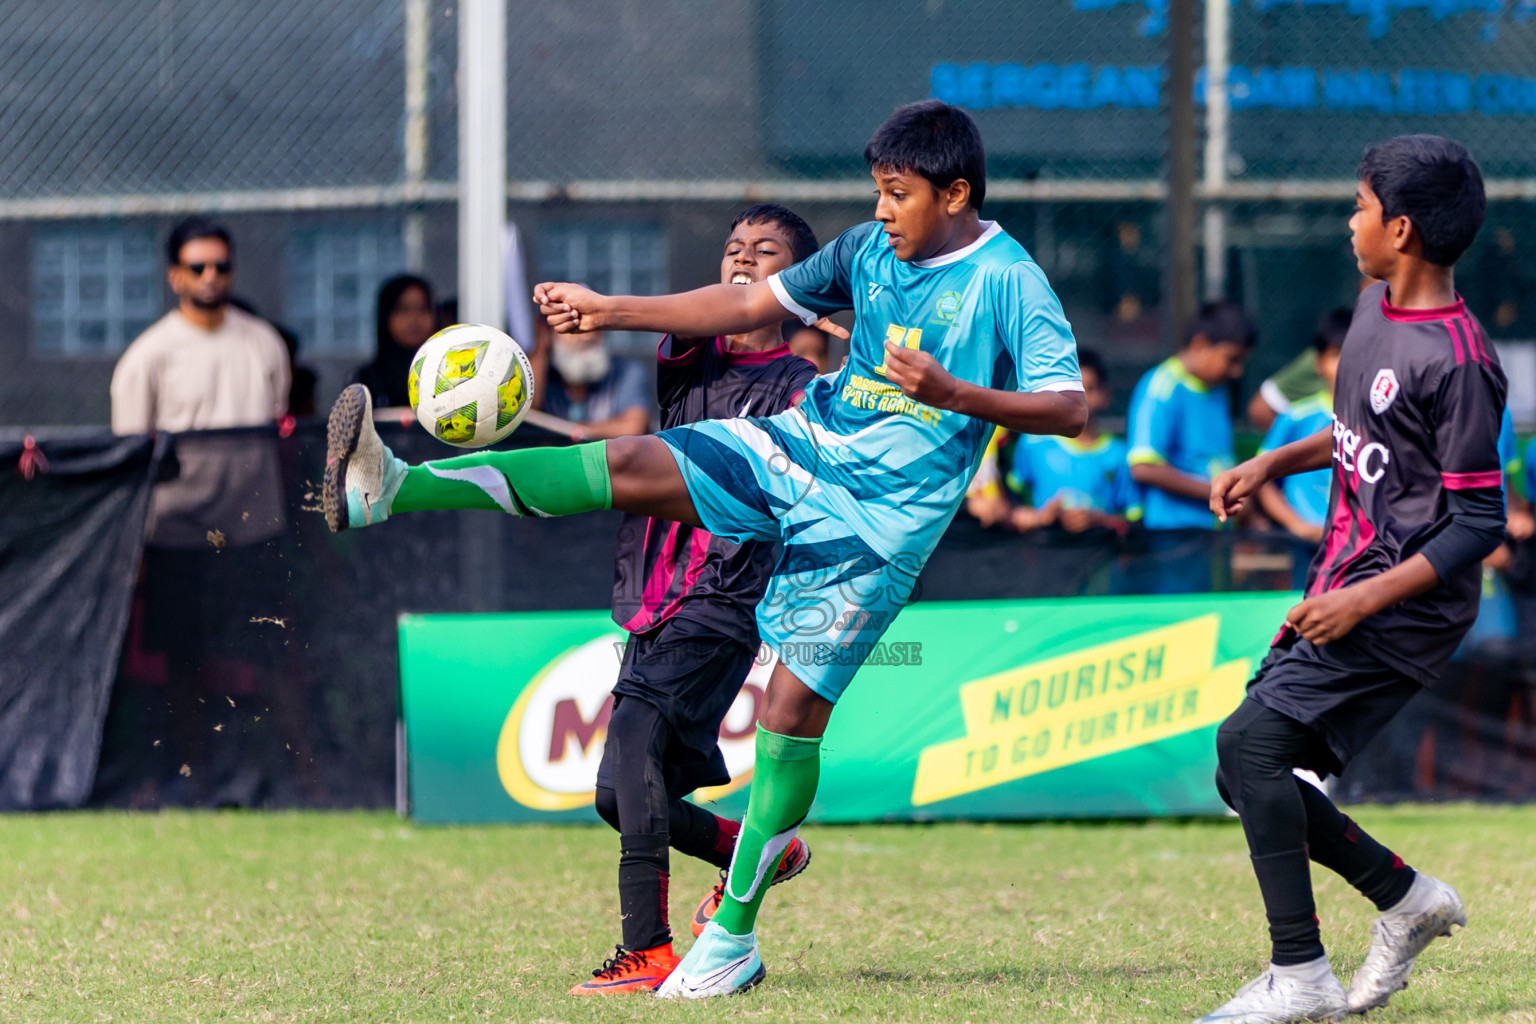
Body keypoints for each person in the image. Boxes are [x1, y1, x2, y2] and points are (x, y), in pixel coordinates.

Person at [321, 100, 1085, 998]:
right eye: (876, 192)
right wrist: (609, 309)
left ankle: (733, 935)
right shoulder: (868, 249)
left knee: (789, 718)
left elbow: (1068, 409)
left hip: (880, 528)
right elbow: (749, 303)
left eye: (898, 195)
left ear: (955, 193)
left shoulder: (1011, 280)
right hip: (805, 447)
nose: (881, 212)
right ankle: (397, 488)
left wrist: (958, 393)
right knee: (636, 459)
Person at [1201, 135, 1501, 1023]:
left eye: (1360, 206)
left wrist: (1363, 598)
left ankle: (1300, 975)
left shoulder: (1459, 360)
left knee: (1252, 749)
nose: (1350, 220)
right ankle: (1406, 901)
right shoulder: (1374, 307)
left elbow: (1478, 522)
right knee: (1241, 766)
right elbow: (1352, 437)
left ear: (1401, 229)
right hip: (1346, 576)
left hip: (1404, 606)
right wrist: (1271, 462)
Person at [571, 204, 824, 996]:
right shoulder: (692, 357)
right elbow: (691, 312)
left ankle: (647, 950)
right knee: (620, 793)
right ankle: (758, 848)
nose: (743, 260)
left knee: (637, 742)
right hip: (653, 592)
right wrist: (605, 309)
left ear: (802, 281)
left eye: (767, 251)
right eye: (733, 249)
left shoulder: (806, 388)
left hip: (726, 596)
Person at [110, 216, 294, 799]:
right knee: (182, 669)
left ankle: (288, 778)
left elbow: (284, 432)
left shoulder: (263, 343)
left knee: (269, 659)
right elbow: (131, 463)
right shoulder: (149, 356)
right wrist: (136, 550)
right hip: (178, 539)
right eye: (197, 267)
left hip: (254, 534)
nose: (211, 276)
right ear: (174, 276)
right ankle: (193, 778)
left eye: (221, 265)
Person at [1123, 302, 1254, 593]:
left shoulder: (1217, 390)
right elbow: (1143, 467)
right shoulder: (1162, 386)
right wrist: (1217, 492)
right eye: (1231, 359)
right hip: (1173, 537)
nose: (1236, 371)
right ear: (1200, 344)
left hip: (1215, 533)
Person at [1007, 348, 1136, 534]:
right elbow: (1011, 506)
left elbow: (1133, 522)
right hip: (1041, 555)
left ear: (1105, 396)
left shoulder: (1119, 454)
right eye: (1073, 390)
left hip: (1100, 558)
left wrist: (1098, 520)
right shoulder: (1033, 442)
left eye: (1089, 389)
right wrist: (1039, 517)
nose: (1080, 399)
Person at [1256, 309, 1351, 550]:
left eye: (1354, 353)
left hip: (1359, 544)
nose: (1346, 363)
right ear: (1318, 363)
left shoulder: (1380, 417)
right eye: (1336, 354)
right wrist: (1297, 525)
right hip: (1306, 544)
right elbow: (1262, 477)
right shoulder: (1297, 416)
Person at [541, 330, 653, 439]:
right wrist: (540, 349)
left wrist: (576, 431)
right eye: (573, 328)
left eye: (595, 326)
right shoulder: (544, 375)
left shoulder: (627, 371)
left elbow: (634, 427)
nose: (587, 336)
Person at [356, 275, 436, 409]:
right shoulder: (367, 381)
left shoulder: (447, 375)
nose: (414, 320)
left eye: (423, 309)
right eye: (403, 310)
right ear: (386, 316)